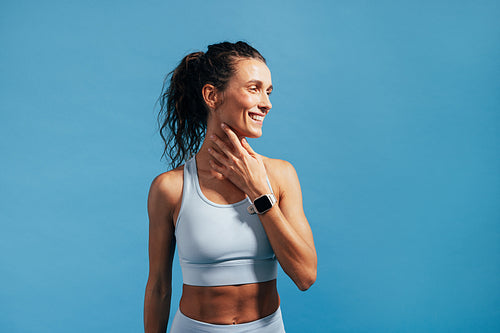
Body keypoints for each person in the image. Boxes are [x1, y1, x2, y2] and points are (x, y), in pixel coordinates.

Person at [144, 41, 317, 333]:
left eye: (269, 91)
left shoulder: (280, 176)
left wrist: (259, 193)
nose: (267, 103)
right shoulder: (170, 188)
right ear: (212, 95)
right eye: (254, 88)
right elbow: (159, 287)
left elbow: (305, 275)